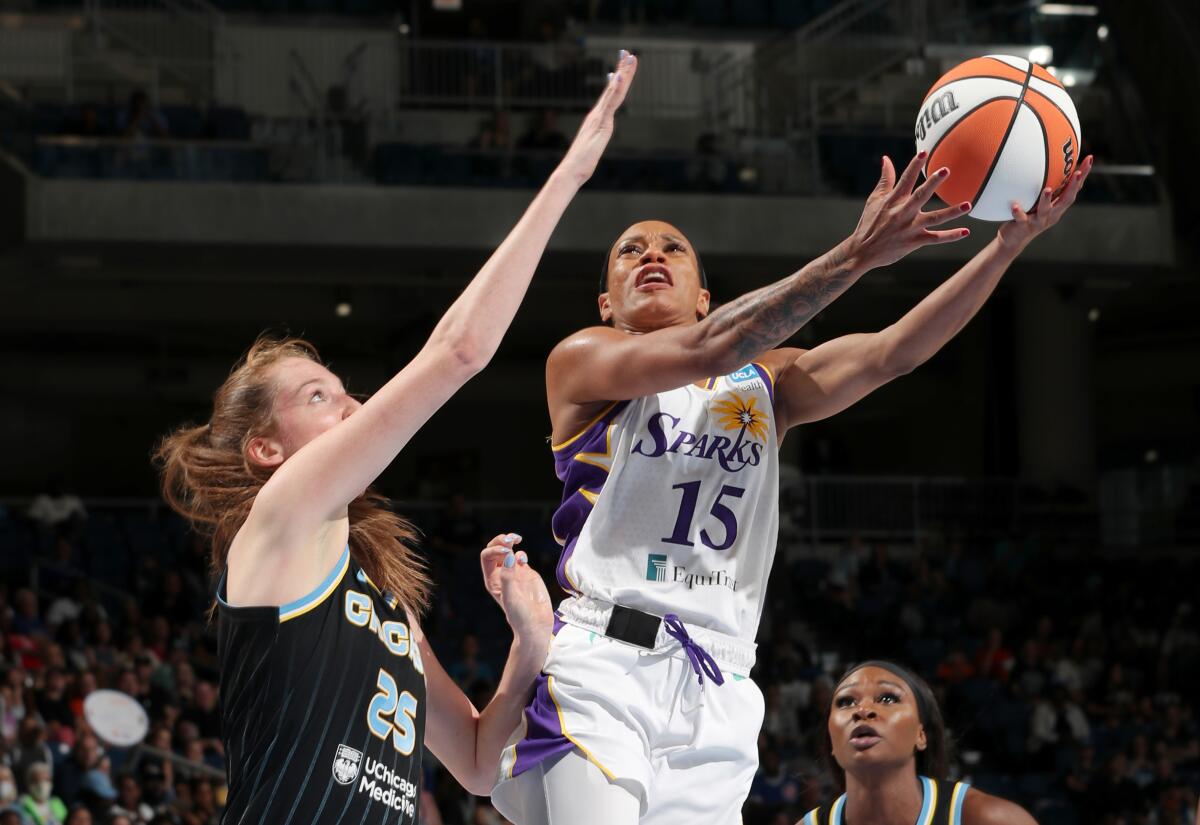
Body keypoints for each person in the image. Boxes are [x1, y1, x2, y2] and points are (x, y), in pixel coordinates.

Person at [491, 152, 1092, 824]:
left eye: (672, 248)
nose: (651, 254)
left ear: (703, 297)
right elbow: (709, 350)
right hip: (606, 662)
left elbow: (895, 352)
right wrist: (856, 254)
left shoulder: (766, 384)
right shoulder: (583, 361)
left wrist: (1007, 249)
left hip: (719, 681)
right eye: (630, 251)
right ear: (607, 302)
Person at [152, 52, 640, 824]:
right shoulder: (277, 525)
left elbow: (479, 763)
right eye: (320, 396)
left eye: (349, 390)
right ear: (267, 450)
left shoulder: (385, 608)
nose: (353, 406)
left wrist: (528, 639)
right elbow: (460, 352)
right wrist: (569, 176)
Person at [799, 661, 1037, 824]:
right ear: (832, 740)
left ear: (921, 734)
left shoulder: (988, 818)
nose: (863, 710)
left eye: (888, 698)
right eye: (845, 702)